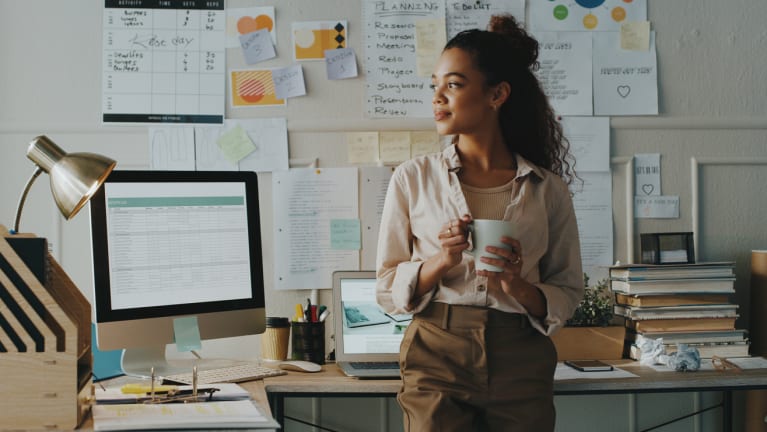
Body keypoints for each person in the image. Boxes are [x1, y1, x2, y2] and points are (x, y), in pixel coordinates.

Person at [376, 14, 584, 432]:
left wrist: (517, 285)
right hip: (436, 350)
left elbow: (568, 290)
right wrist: (442, 259)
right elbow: (386, 287)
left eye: (452, 85)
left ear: (497, 94)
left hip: (521, 354)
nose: (437, 97)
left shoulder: (549, 189)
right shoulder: (412, 178)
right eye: (434, 85)